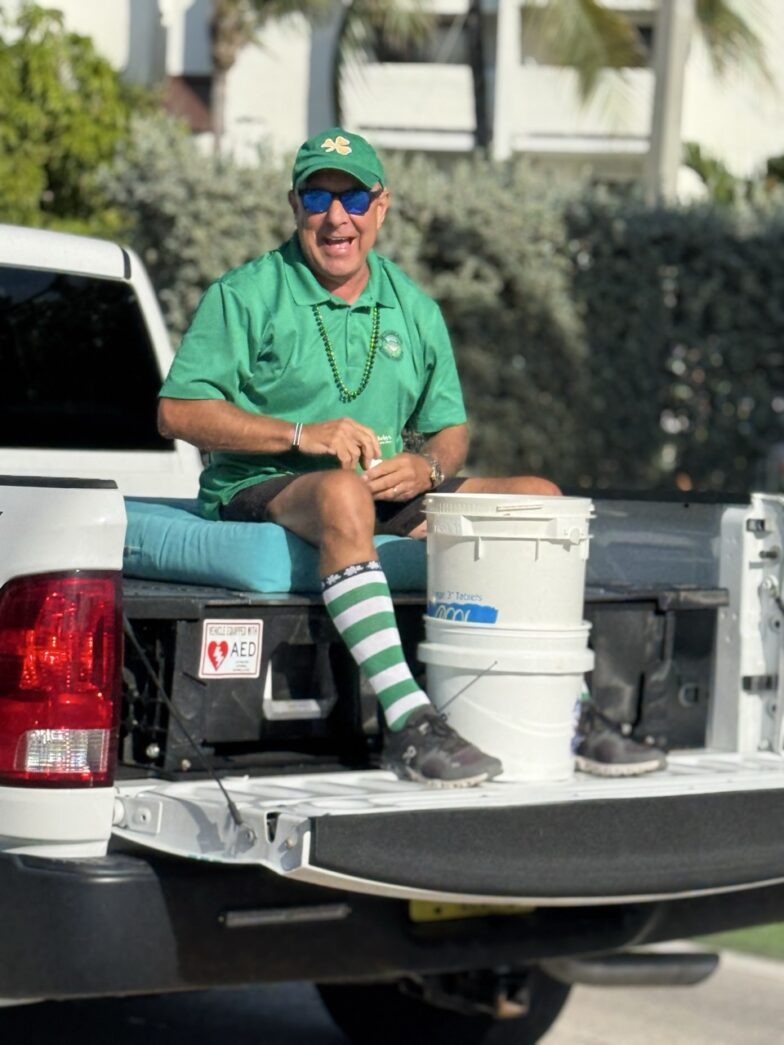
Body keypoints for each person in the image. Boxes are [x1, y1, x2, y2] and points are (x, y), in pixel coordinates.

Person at [158, 125, 665, 785]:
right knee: (342, 491)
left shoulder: (414, 307)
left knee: (540, 497)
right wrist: (298, 434)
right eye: (317, 197)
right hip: (262, 486)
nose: (336, 216)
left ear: (381, 208)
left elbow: (449, 428)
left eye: (354, 198)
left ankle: (568, 708)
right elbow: (176, 411)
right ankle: (413, 724)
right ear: (294, 206)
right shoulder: (247, 293)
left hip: (382, 491)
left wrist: (428, 469)